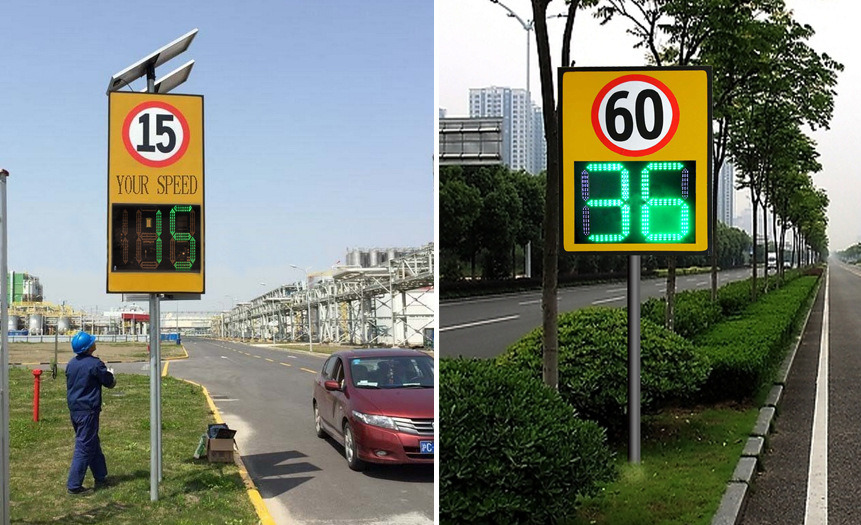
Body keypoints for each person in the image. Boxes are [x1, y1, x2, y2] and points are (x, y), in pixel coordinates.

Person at [65, 331, 116, 495]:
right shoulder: (95, 364)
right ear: (88, 348)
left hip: (75, 410)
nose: (95, 342)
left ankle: (101, 476)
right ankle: (74, 486)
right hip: (88, 411)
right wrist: (111, 375)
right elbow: (108, 382)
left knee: (92, 442)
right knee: (84, 446)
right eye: (92, 342)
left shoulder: (71, 364)